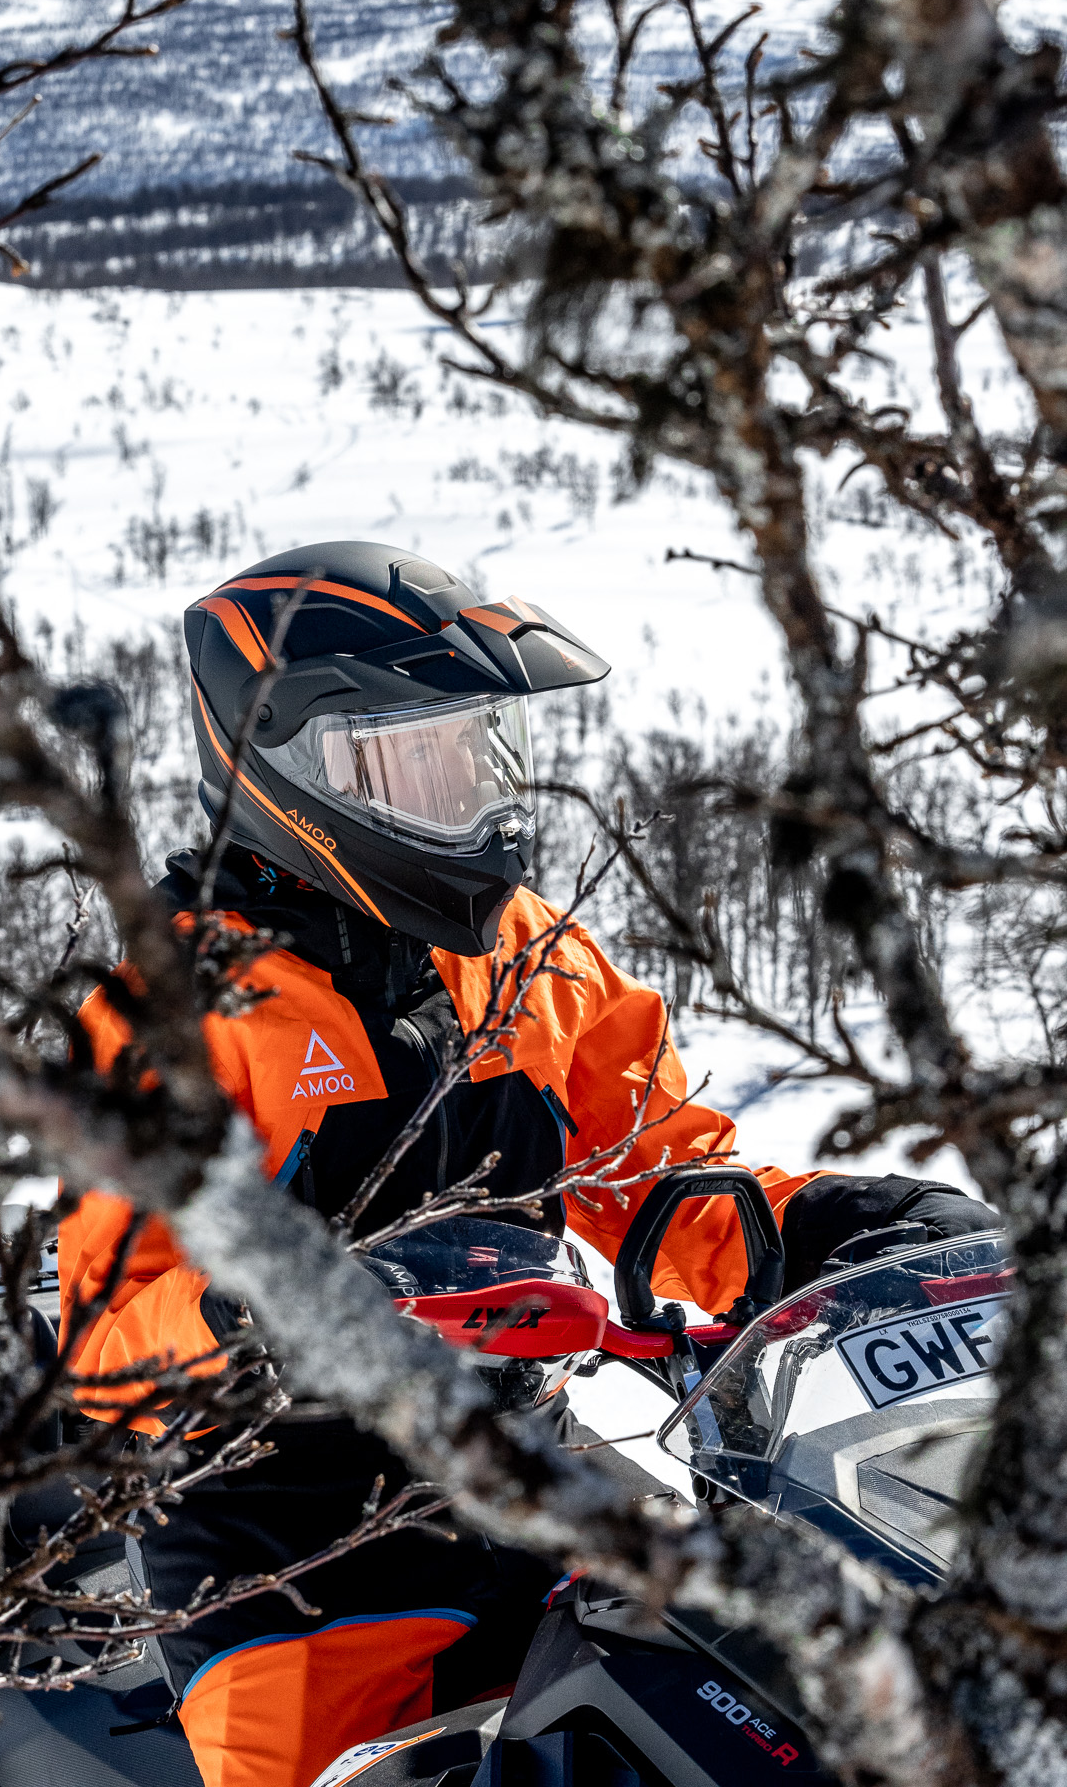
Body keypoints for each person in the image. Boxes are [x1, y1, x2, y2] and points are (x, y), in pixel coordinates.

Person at [59, 541, 994, 1787]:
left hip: (530, 1479)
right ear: (277, 761)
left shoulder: (524, 959)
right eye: (408, 758)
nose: (462, 789)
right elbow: (111, 1333)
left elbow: (660, 1183)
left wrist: (826, 1228)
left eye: (471, 749)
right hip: (287, 1550)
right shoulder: (174, 1016)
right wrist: (281, 1312)